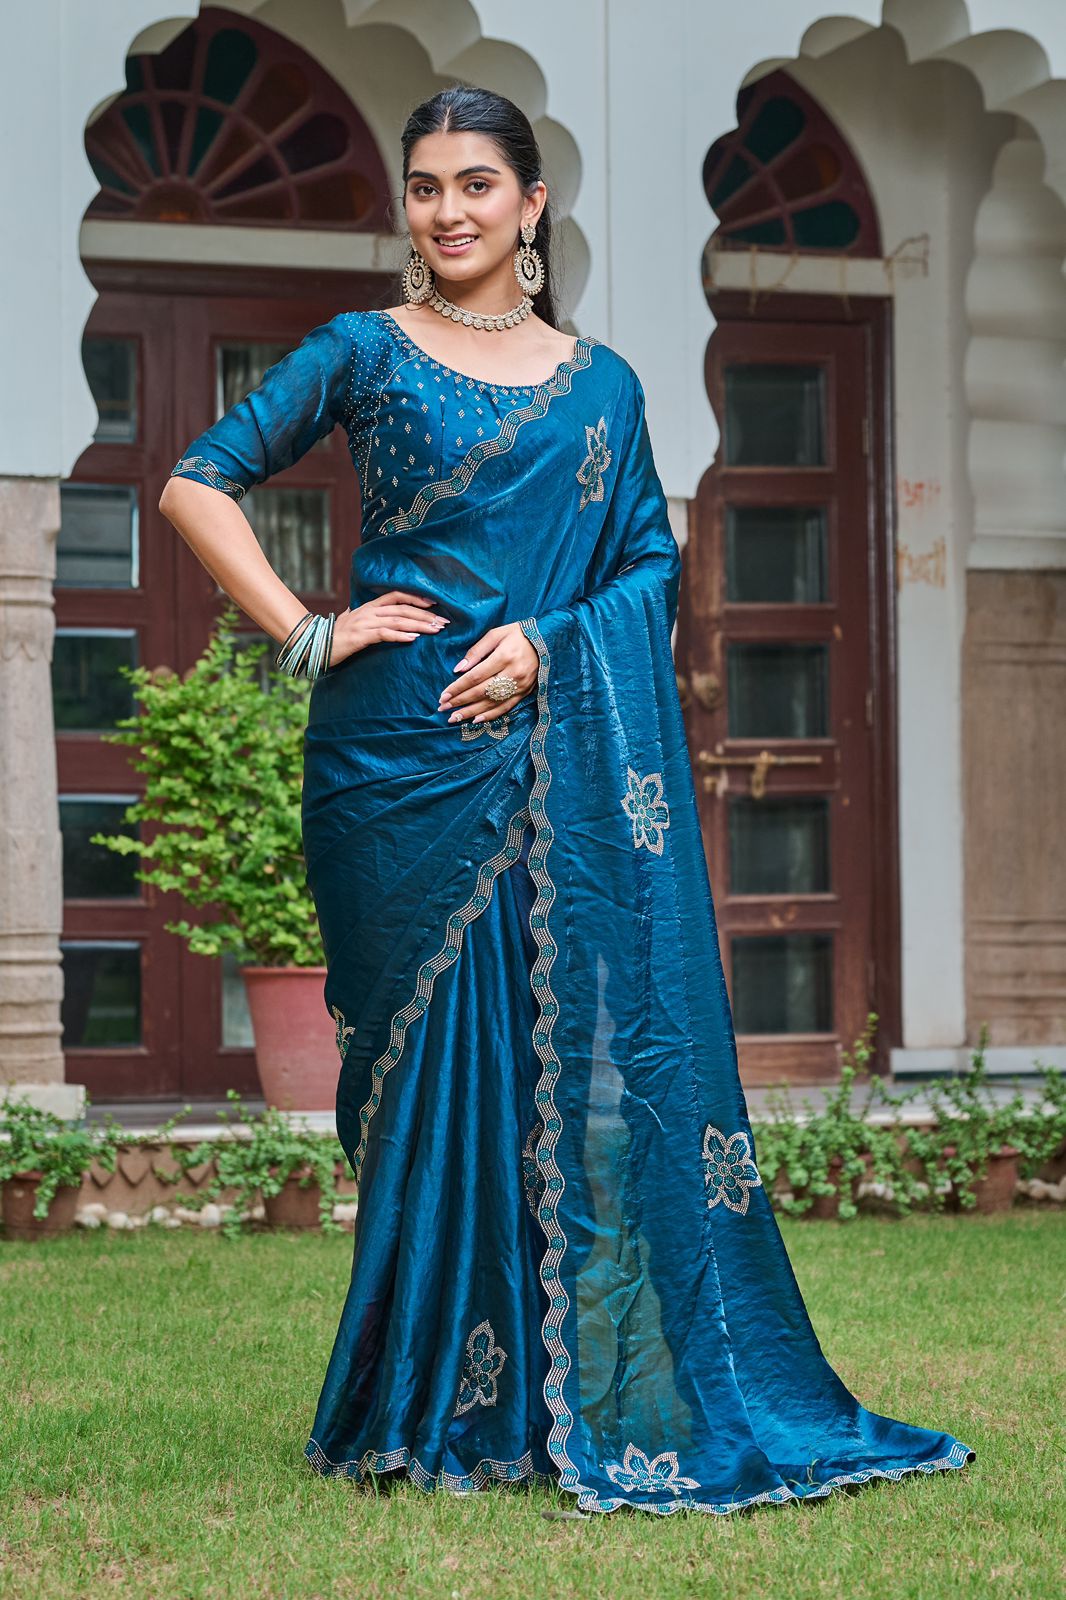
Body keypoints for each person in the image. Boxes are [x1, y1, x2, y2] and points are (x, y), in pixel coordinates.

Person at [159, 84, 974, 1517]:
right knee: (412, 1081)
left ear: (533, 206)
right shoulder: (359, 349)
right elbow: (196, 482)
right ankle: (417, 1399)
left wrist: (545, 644)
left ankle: (533, 1405)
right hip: (392, 763)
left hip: (544, 761)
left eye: (477, 184)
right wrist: (309, 627)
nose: (449, 210)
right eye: (424, 188)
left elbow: (646, 570)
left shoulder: (602, 387)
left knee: (543, 1069)